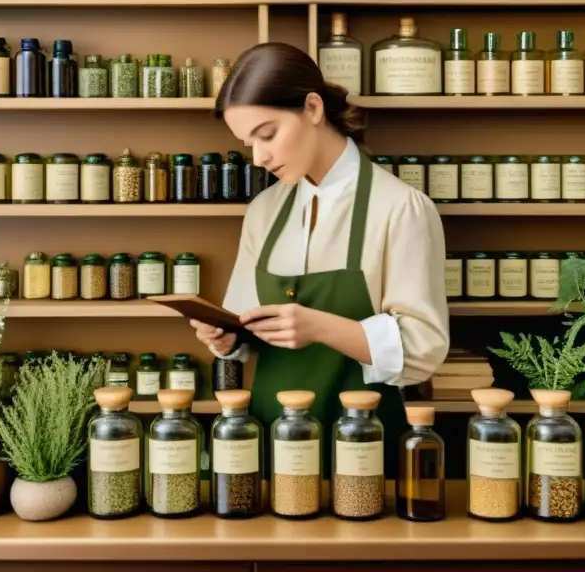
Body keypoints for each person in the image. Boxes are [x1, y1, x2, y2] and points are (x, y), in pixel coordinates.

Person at [190, 42, 449, 474]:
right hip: (274, 438)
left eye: (267, 134)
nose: (259, 158)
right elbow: (246, 321)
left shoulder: (400, 207)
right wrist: (228, 338)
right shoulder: (265, 211)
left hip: (362, 438)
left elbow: (423, 349)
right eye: (247, 143)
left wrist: (317, 325)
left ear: (312, 108)